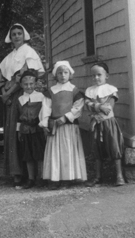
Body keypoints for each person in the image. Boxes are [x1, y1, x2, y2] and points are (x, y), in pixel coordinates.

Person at [0, 23, 45, 186]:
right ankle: (16, 172)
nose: (16, 36)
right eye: (14, 34)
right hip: (9, 98)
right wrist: (4, 93)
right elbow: (2, 79)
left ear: (24, 36)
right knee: (13, 133)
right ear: (10, 37)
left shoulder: (29, 53)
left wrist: (9, 93)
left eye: (19, 33)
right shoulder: (9, 56)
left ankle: (30, 175)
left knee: (25, 133)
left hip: (24, 95)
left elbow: (27, 78)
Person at [40, 60, 87, 189]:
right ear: (55, 75)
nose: (63, 75)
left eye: (65, 72)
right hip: (55, 126)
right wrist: (45, 123)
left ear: (70, 74)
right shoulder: (51, 91)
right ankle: (55, 178)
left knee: (67, 151)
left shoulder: (74, 90)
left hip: (69, 127)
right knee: (55, 152)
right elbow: (46, 108)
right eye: (60, 73)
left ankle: (67, 178)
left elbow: (78, 107)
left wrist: (66, 117)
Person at [84, 62, 126, 187]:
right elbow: (88, 106)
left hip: (108, 123)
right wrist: (97, 106)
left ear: (106, 76)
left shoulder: (111, 90)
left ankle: (119, 176)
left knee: (114, 146)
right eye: (93, 75)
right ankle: (98, 176)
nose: (96, 78)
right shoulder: (89, 90)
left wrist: (96, 105)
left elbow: (108, 108)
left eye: (99, 75)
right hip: (96, 123)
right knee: (97, 149)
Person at [15, 70, 46, 189]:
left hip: (37, 129)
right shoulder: (20, 99)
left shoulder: (41, 97)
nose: (29, 86)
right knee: (28, 155)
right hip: (25, 129)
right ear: (22, 85)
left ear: (36, 83)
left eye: (31, 84)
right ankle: (31, 178)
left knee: (40, 154)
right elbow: (18, 117)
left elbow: (45, 113)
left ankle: (42, 178)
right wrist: (19, 131)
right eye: (26, 84)